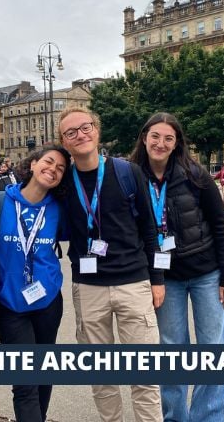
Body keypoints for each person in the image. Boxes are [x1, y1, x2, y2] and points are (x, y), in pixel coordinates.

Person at [57, 108, 163, 422]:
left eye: (85, 126)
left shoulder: (128, 172)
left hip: (134, 283)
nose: (80, 134)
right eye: (70, 132)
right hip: (88, 288)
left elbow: (150, 228)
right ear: (64, 142)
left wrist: (156, 279)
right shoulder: (63, 182)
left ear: (97, 130)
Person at [130, 112, 224, 422]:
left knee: (213, 350)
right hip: (166, 279)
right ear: (144, 138)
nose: (160, 143)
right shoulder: (132, 176)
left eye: (168, 138)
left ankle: (209, 416)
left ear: (177, 143)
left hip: (207, 272)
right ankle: (175, 416)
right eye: (155, 137)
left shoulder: (194, 173)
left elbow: (220, 224)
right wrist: (151, 278)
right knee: (172, 352)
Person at [0, 146, 70, 422]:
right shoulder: (0, 202)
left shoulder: (59, 209)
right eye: (49, 162)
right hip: (11, 303)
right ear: (33, 164)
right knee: (24, 380)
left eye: (60, 168)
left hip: (48, 301)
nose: (53, 169)